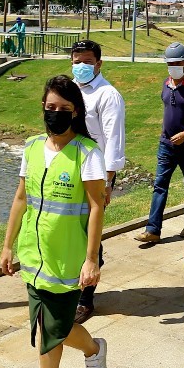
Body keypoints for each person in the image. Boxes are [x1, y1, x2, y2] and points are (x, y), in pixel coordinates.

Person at [0, 75, 108, 368]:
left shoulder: (86, 153)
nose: (55, 114)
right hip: (34, 255)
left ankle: (92, 349)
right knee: (45, 327)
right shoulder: (31, 147)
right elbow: (21, 199)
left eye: (63, 109)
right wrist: (7, 244)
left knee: (54, 326)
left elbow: (96, 207)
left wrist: (91, 259)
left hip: (68, 259)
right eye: (50, 108)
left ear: (75, 112)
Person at [70, 40, 126, 323]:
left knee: (90, 232)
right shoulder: (68, 90)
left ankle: (85, 298)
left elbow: (113, 141)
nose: (81, 66)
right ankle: (72, 283)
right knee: (70, 229)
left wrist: (107, 182)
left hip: (96, 175)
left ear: (99, 64)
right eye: (76, 61)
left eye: (87, 61)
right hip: (69, 172)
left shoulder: (108, 95)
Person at [135, 43, 184, 244]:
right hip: (166, 145)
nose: (173, 66)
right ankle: (153, 229)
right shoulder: (166, 84)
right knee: (160, 185)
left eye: (177, 62)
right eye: (170, 63)